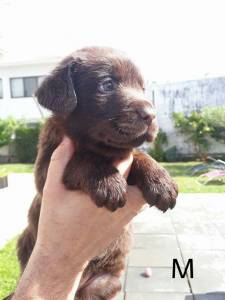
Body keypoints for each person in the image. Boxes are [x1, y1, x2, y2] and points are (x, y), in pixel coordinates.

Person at [12, 136, 147, 300]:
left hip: (102, 274)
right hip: (41, 267)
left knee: (100, 287)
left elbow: (130, 161)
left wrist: (145, 167)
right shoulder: (61, 135)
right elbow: (44, 178)